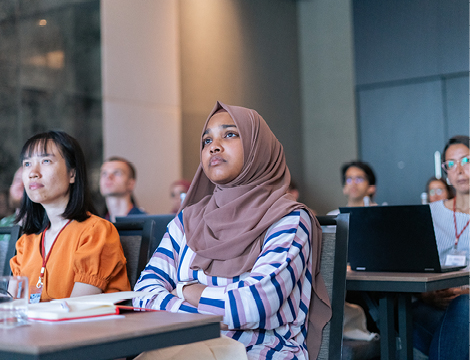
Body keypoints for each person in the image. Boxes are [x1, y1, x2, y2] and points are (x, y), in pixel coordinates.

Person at [133, 101, 331, 360]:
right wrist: (214, 317)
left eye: (230, 134)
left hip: (259, 352)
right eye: (206, 140)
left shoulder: (288, 218)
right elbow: (143, 294)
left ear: (257, 147)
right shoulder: (188, 220)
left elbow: (254, 306)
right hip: (185, 344)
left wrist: (182, 290)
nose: (213, 146)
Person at [10, 131, 130, 303]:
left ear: (72, 174)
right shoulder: (26, 242)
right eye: (27, 164)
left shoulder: (96, 231)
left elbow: (74, 310)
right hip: (36, 327)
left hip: (86, 328)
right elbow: (12, 307)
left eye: (46, 161)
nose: (32, 173)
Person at [412, 135, 470, 360]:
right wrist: (427, 293)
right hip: (431, 303)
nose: (459, 170)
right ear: (446, 173)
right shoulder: (430, 213)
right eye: (451, 164)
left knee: (464, 307)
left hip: (466, 303)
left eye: (465, 161)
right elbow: (411, 264)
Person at [100, 156, 146, 222]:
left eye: (117, 173)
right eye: (104, 173)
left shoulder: (145, 222)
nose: (108, 177)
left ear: (131, 183)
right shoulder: (96, 225)